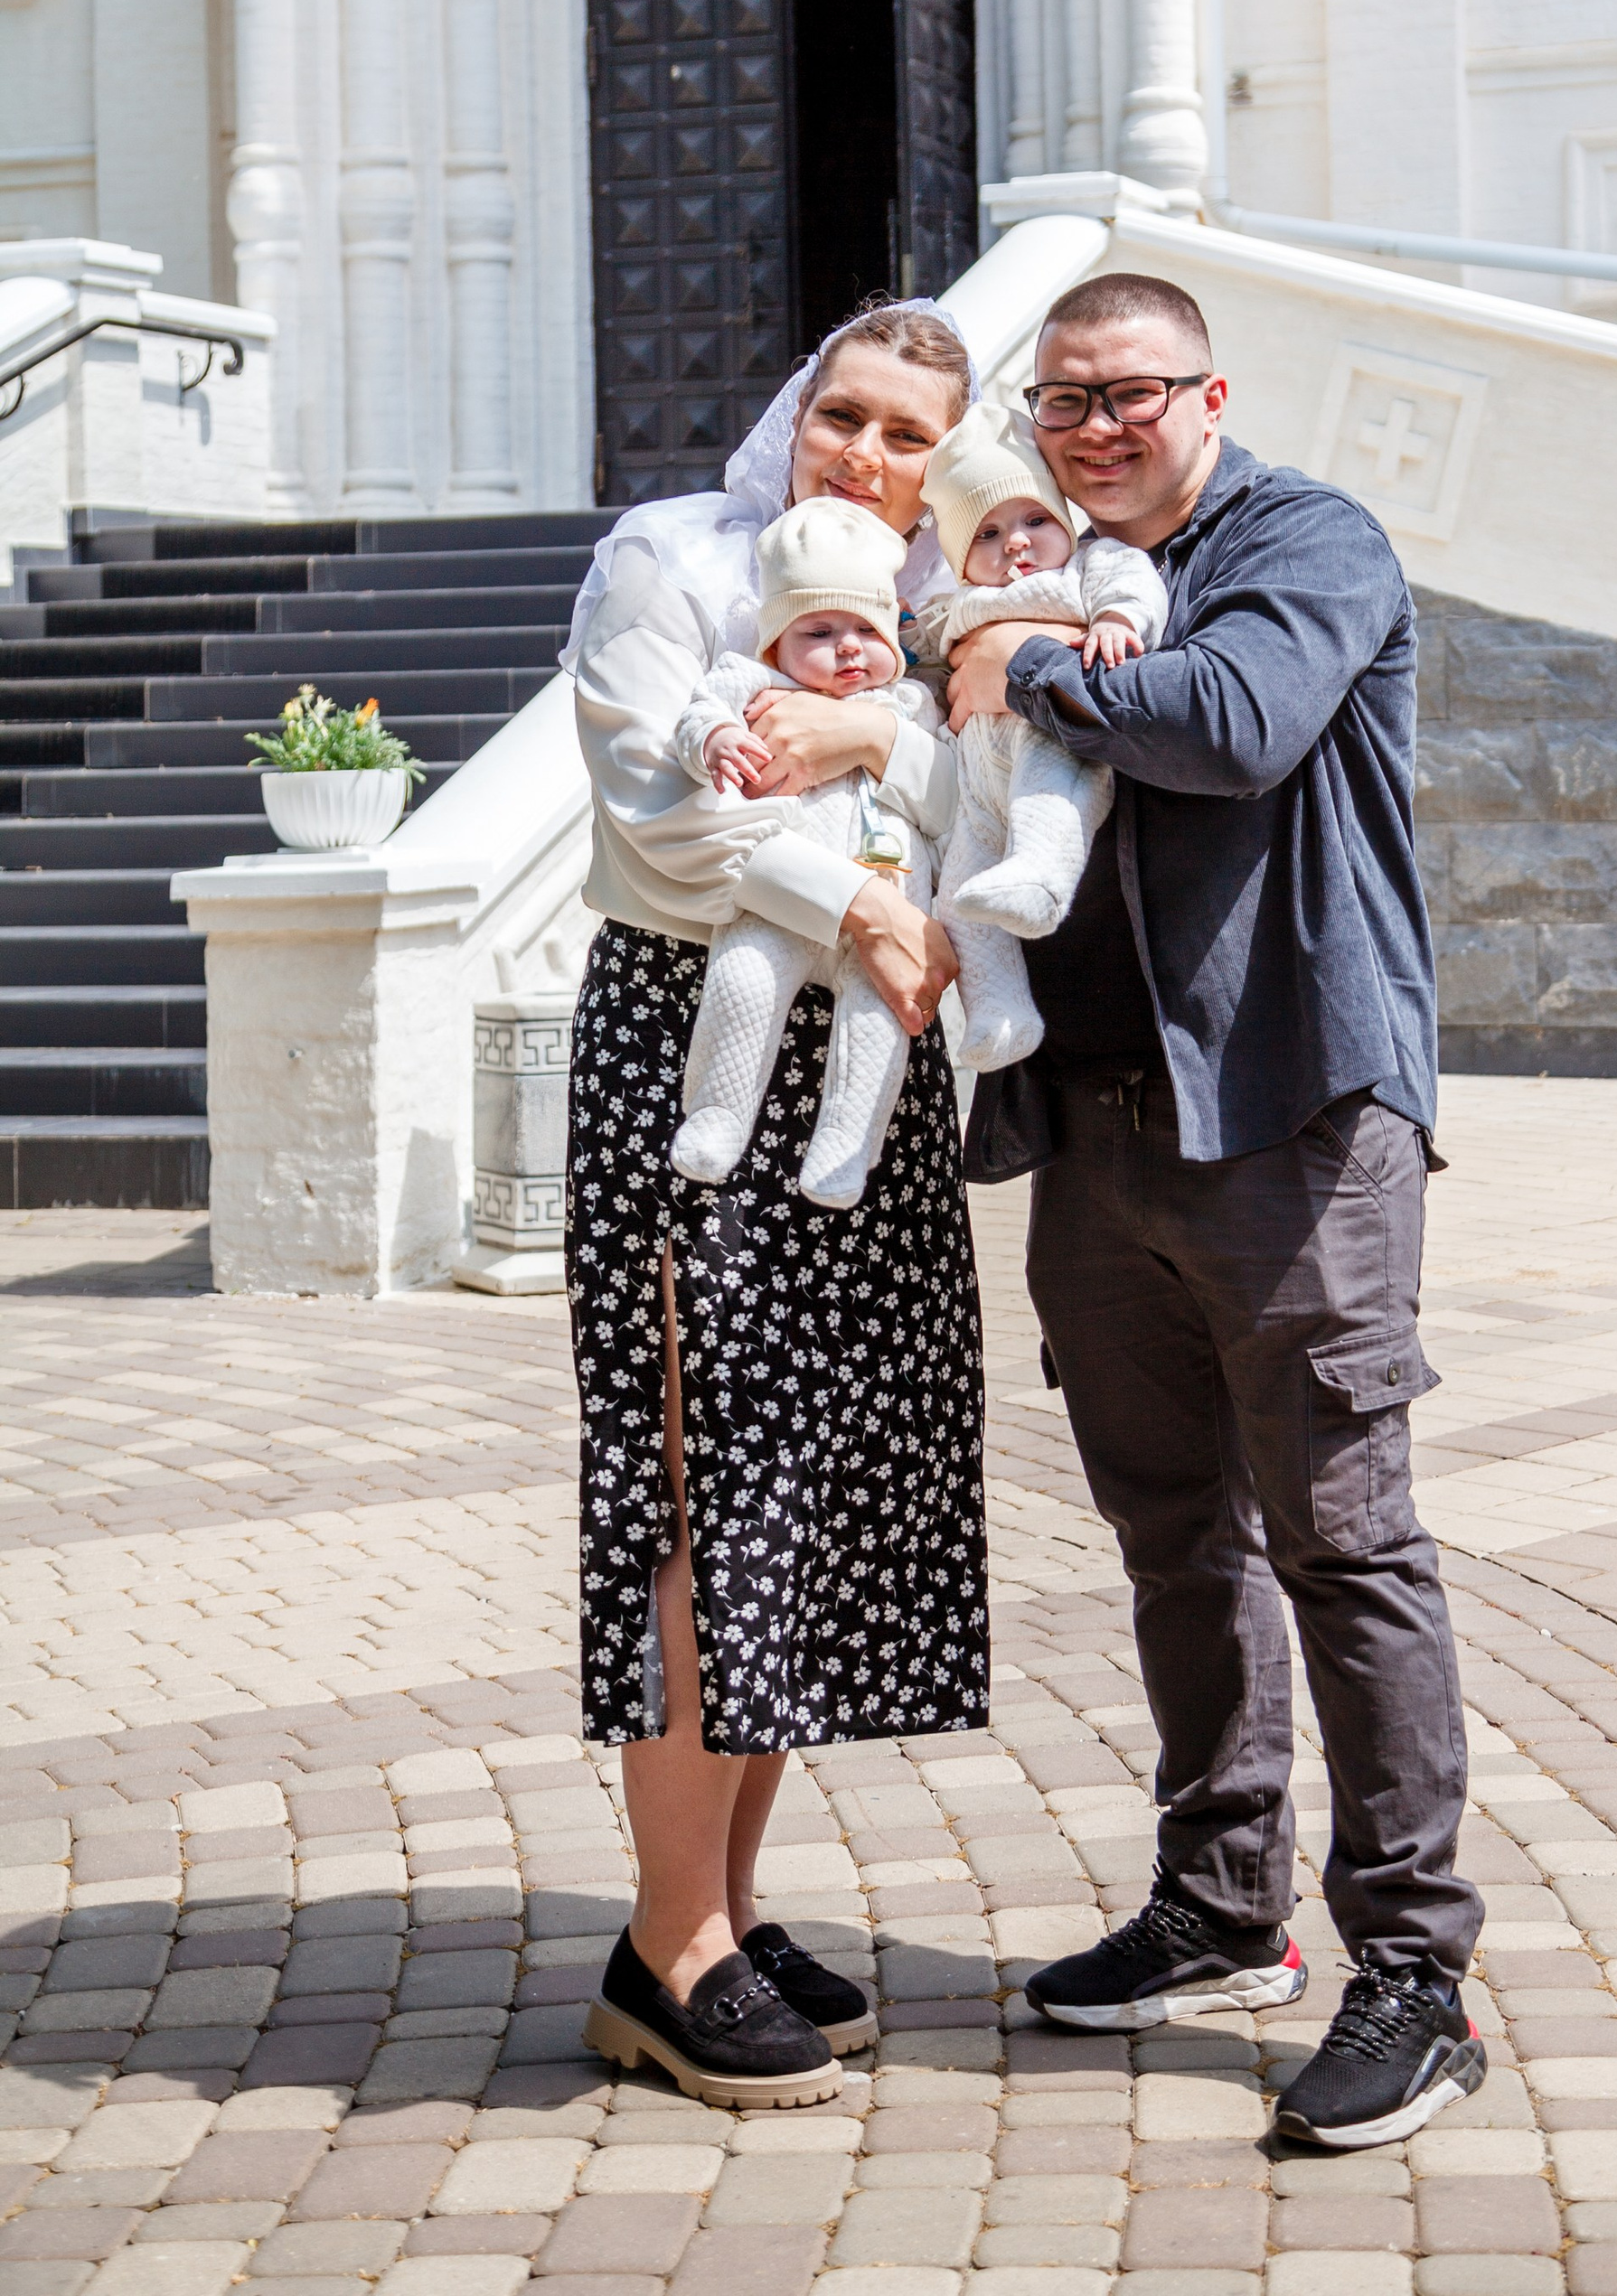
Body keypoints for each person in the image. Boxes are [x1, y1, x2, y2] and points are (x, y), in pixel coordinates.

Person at [945, 270, 1486, 2152]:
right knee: (1173, 1535)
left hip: (1287, 1118)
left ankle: (1411, 1977)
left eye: (1131, 395)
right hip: (1099, 1133)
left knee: (1344, 1535)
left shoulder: (1303, 540)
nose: (1095, 429)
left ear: (1207, 394)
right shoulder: (1045, 563)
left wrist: (1011, 666)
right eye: (1063, 402)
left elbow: (1235, 721)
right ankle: (1218, 1904)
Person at [561, 301, 978, 2110]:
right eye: (847, 416)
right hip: (690, 1061)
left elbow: (980, 802)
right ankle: (669, 1947)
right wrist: (870, 905)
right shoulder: (667, 559)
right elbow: (662, 821)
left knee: (794, 1484)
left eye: (909, 439)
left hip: (863, 1084)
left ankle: (716, 1907)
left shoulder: (939, 609)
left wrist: (877, 755)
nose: (868, 459)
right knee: (699, 1470)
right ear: (795, 411)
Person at [667, 500, 948, 1204]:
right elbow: (698, 712)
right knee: (742, 984)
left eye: (866, 629)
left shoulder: (911, 705)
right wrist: (714, 740)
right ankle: (716, 1119)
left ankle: (845, 1154)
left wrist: (874, 738)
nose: (849, 647)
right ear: (774, 646)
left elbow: (953, 798)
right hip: (781, 906)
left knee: (880, 1025)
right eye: (819, 631)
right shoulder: (754, 684)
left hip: (892, 912)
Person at [912, 399, 1167, 1070]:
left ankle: (1044, 878)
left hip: (1049, 738)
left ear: (1065, 519)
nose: (1015, 544)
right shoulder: (953, 606)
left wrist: (1115, 619)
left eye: (1033, 520)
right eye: (987, 535)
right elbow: (919, 654)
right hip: (975, 787)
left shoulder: (1085, 568)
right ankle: (1000, 1014)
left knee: (1049, 794)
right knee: (960, 897)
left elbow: (1131, 580)